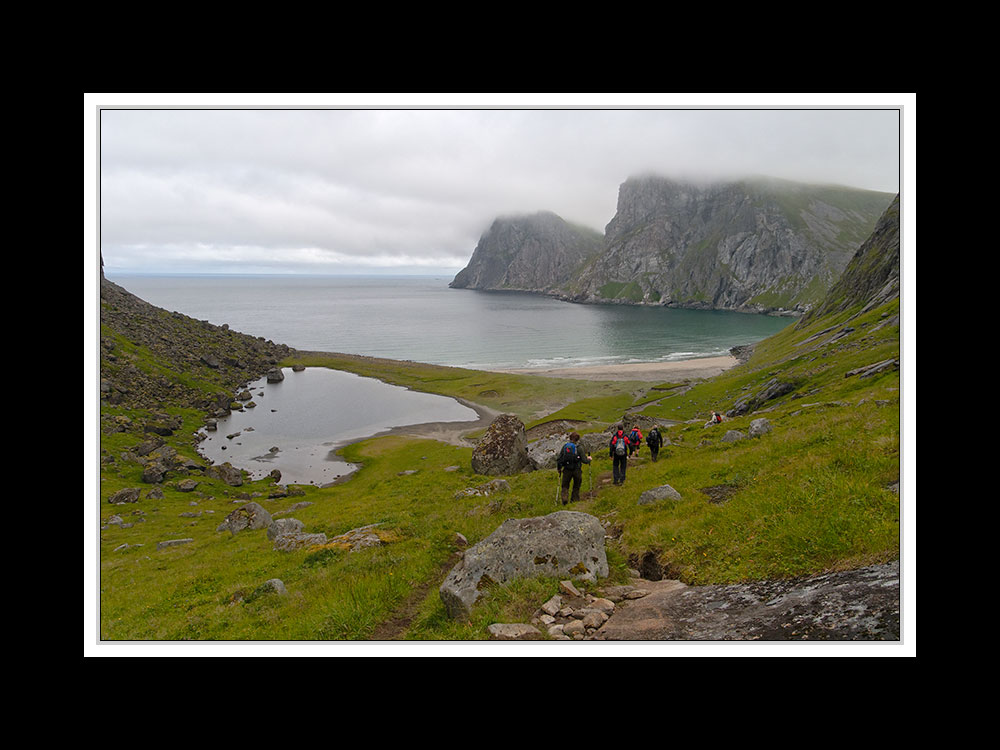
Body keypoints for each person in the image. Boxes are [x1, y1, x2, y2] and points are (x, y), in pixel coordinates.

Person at [556, 432, 592, 504]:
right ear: (578, 439)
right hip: (577, 470)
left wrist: (559, 469)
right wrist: (589, 459)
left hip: (566, 469)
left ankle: (565, 499)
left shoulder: (565, 447)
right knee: (576, 485)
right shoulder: (579, 448)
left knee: (565, 486)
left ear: (570, 438)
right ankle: (574, 500)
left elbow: (559, 458)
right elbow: (584, 460)